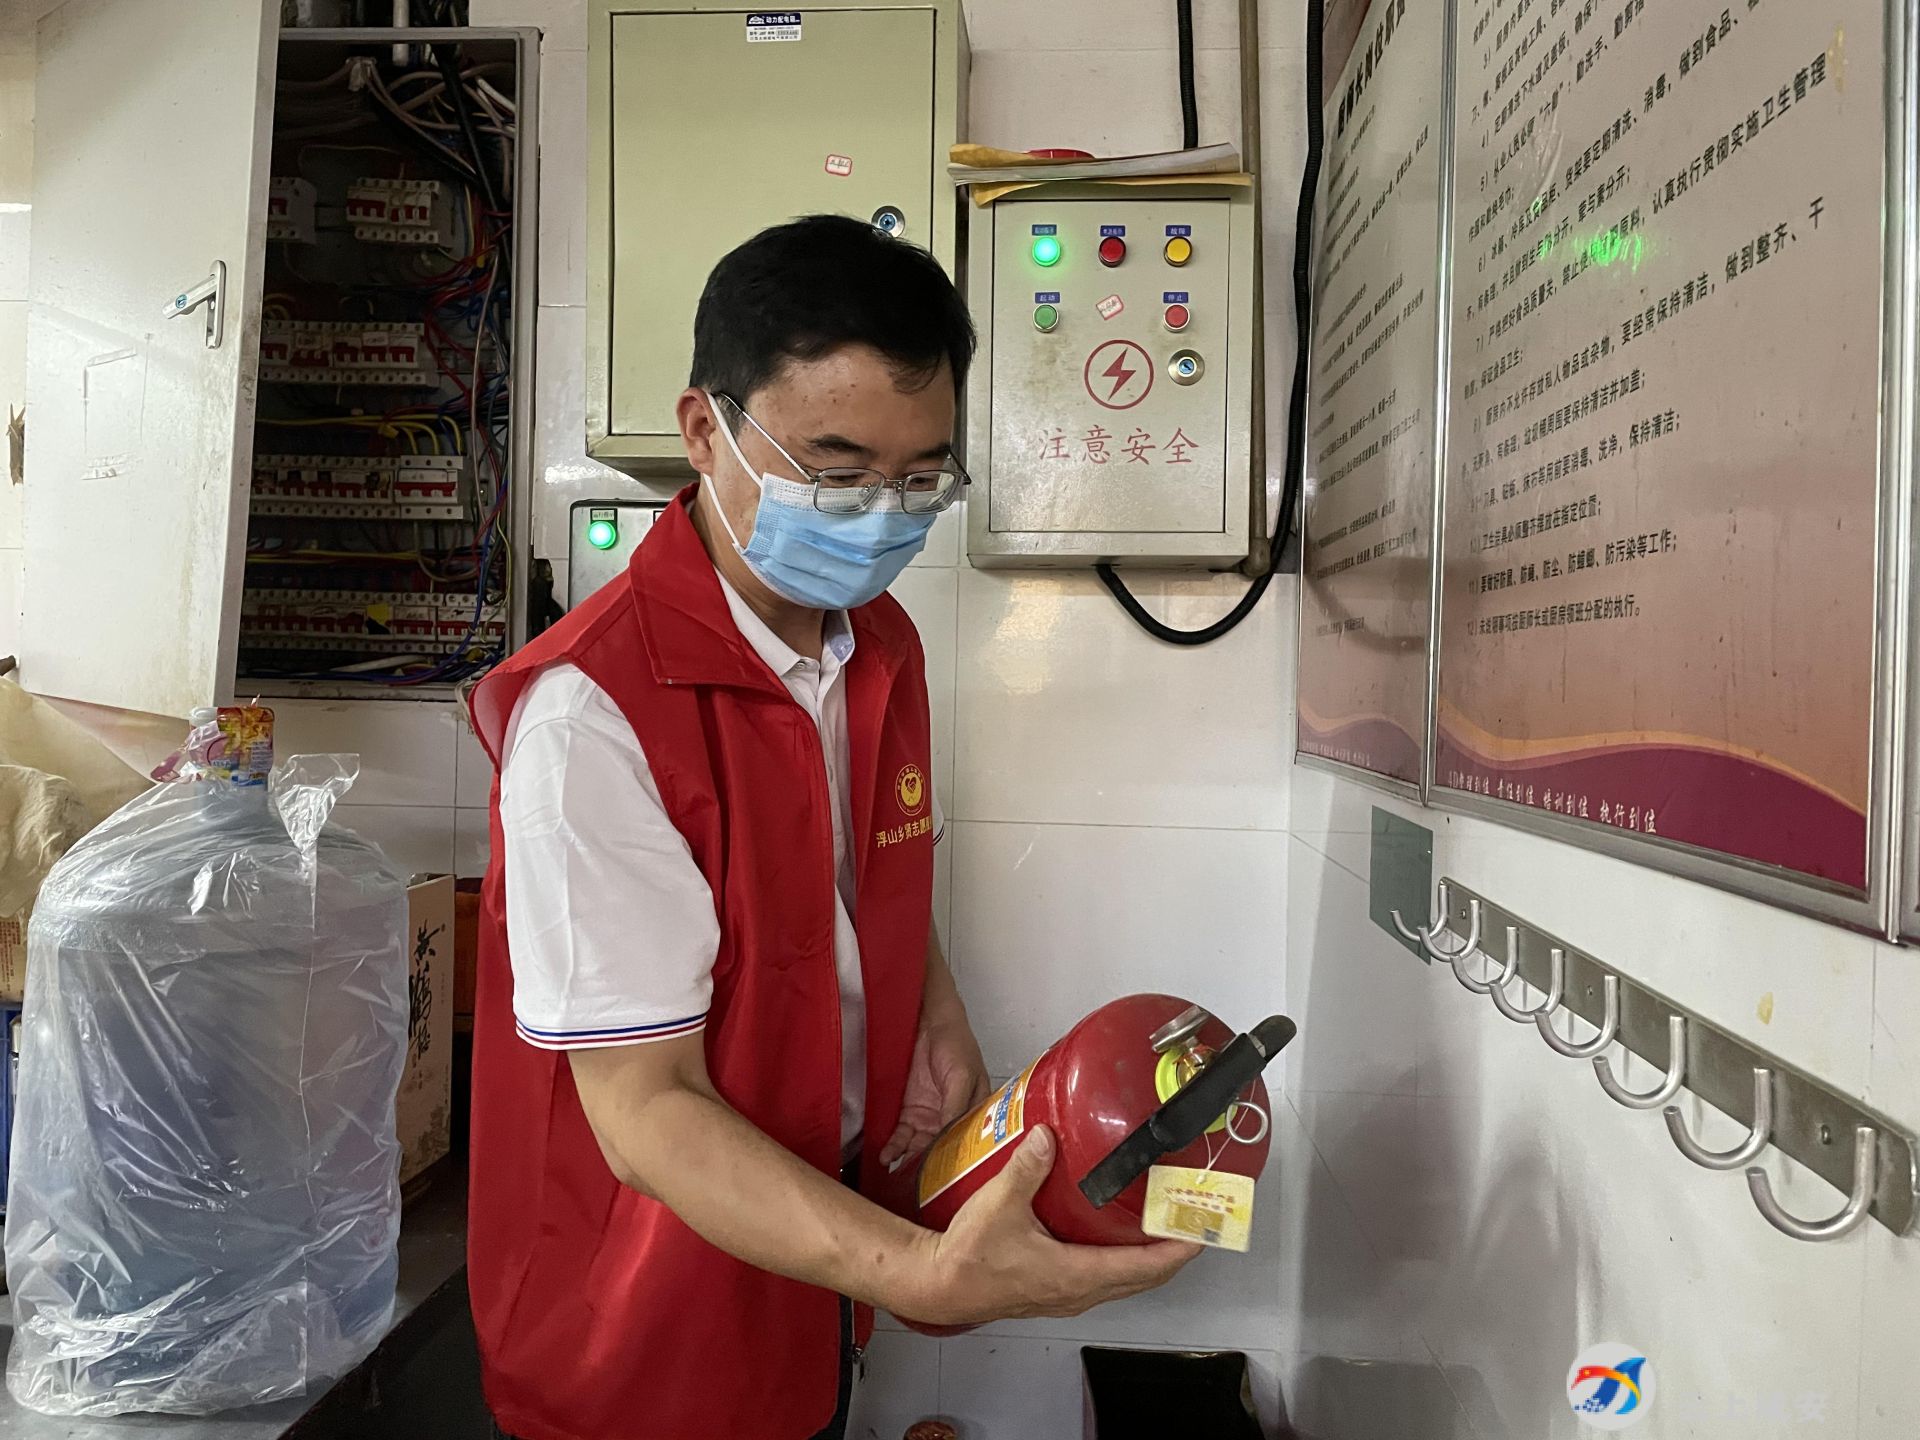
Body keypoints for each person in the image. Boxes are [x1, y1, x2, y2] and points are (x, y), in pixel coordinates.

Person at [463, 215, 1200, 1440]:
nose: (879, 517)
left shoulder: (877, 644)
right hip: (640, 1316)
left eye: (920, 480)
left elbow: (851, 870)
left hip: (820, 1260)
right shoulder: (594, 716)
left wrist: (932, 1011)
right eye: (836, 469)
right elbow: (646, 1113)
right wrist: (922, 1274)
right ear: (706, 430)